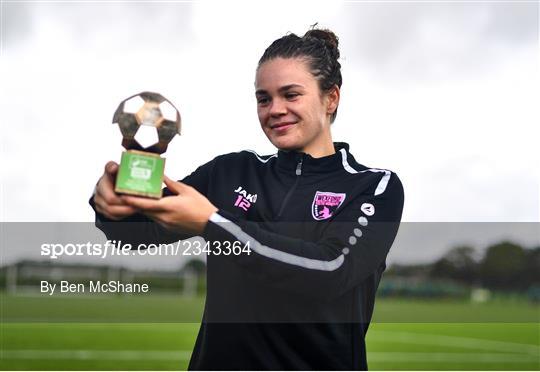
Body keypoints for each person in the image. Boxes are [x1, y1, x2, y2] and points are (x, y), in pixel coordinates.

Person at [90, 27, 404, 370]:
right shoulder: (230, 171)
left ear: (331, 98)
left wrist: (213, 223)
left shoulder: (374, 186)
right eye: (263, 98)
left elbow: (331, 270)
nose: (275, 109)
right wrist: (115, 199)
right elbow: (137, 233)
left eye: (291, 95)